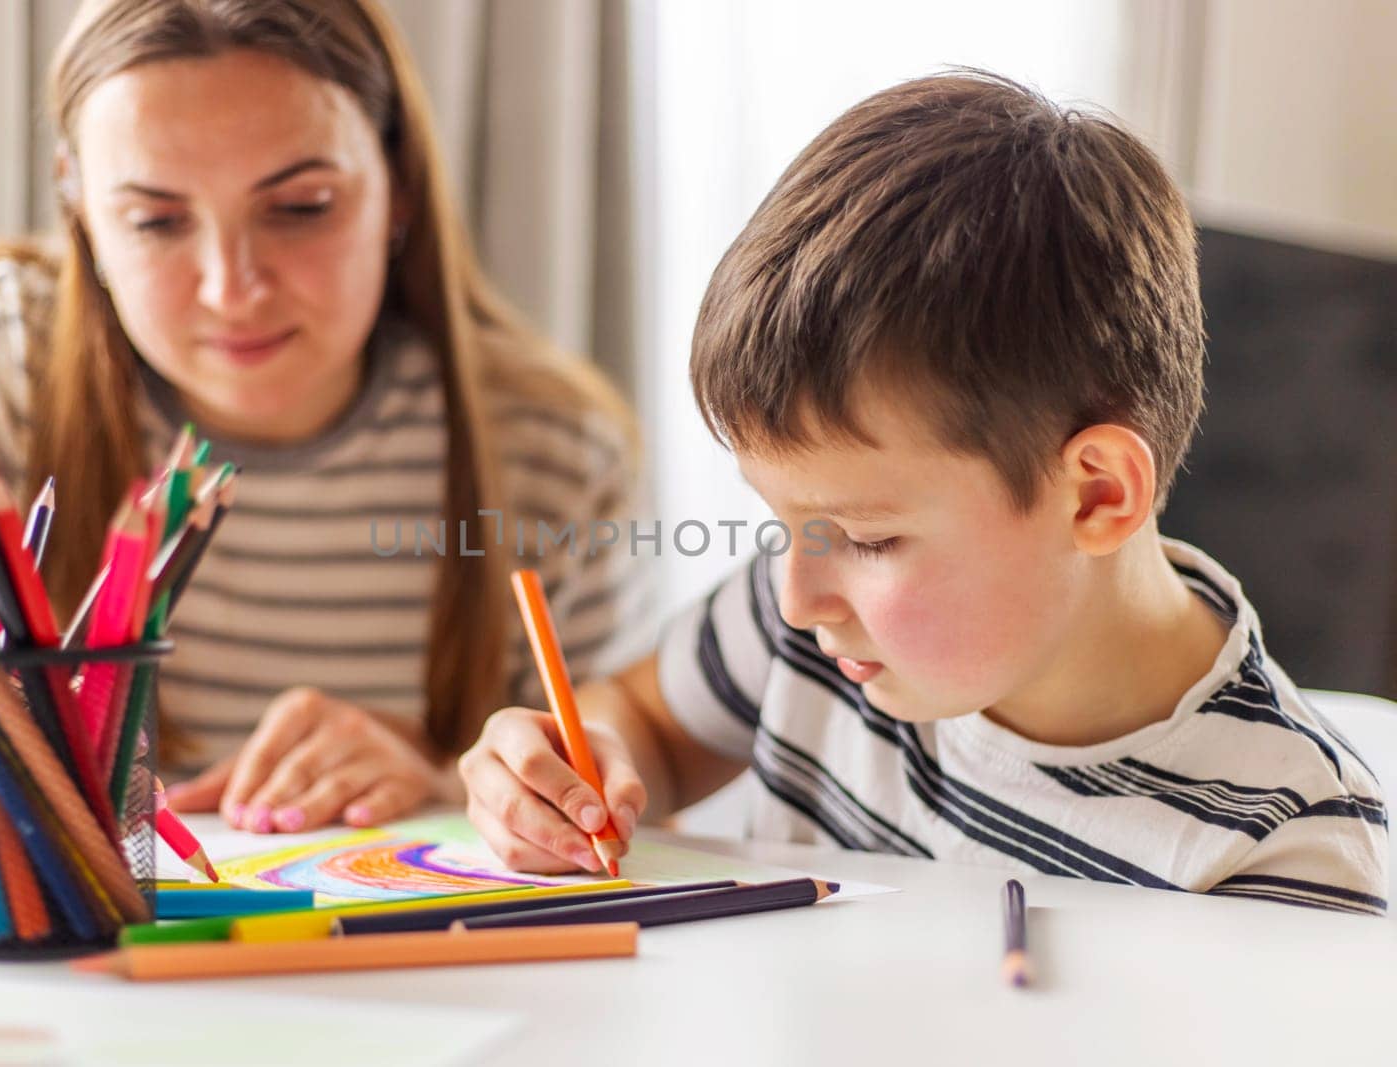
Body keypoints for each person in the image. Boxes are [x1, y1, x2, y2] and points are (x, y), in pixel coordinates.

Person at [458, 71, 1389, 913]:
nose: (797, 597)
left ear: (1097, 496)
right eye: (782, 522)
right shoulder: (810, 625)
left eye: (868, 538)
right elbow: (651, 725)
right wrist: (570, 772)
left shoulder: (1281, 847)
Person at [0, 0, 640, 859]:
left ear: (400, 188)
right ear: (79, 204)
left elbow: (605, 787)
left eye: (302, 206)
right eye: (156, 221)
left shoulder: (549, 446)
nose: (231, 288)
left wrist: (448, 781)